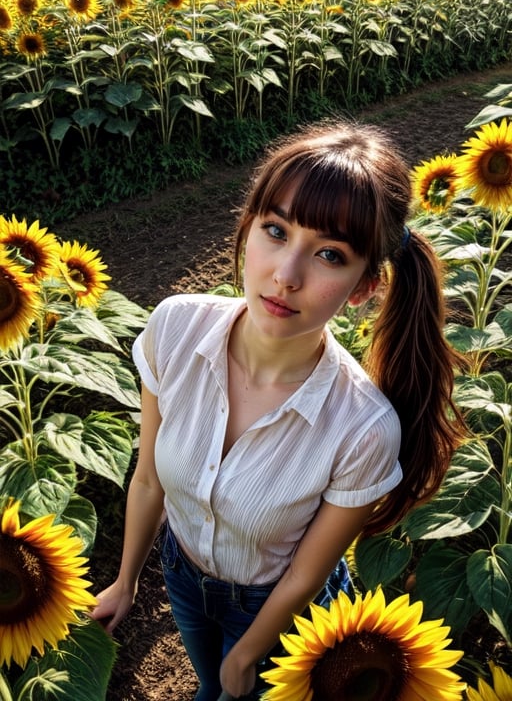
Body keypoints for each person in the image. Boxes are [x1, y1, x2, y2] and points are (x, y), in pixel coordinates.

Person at [92, 120, 466, 700]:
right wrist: (126, 580)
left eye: (329, 254)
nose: (285, 276)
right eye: (275, 230)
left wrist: (245, 656)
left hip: (278, 609)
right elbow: (147, 480)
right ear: (248, 229)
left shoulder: (362, 428)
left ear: (364, 287)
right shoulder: (174, 327)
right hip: (181, 573)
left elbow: (304, 575)